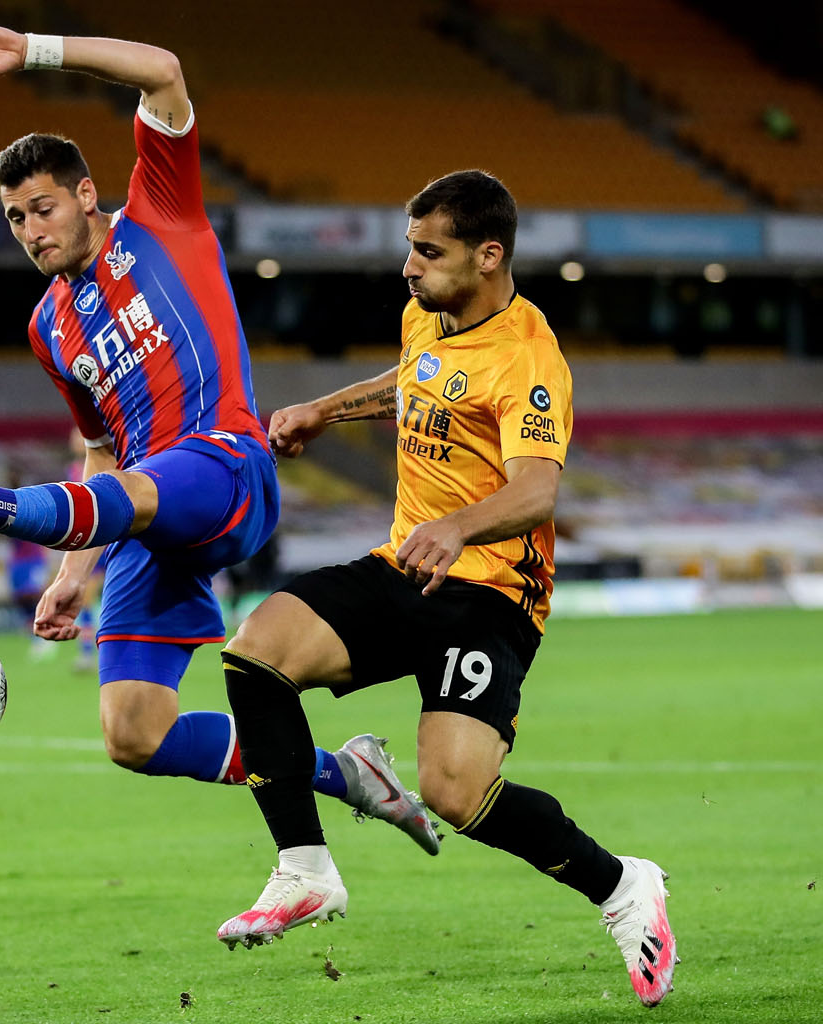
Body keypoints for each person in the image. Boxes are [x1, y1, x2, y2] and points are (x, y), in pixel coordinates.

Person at [0, 23, 437, 855]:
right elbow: (103, 449)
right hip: (146, 507)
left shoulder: (162, 216)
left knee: (141, 491)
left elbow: (164, 71)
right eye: (13, 220)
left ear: (85, 194)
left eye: (42, 207)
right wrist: (75, 575)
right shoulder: (50, 327)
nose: (31, 230)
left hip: (225, 466)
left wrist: (32, 51)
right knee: (134, 733)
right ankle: (352, 774)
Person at [213, 171, 678, 1007]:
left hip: (491, 595)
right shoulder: (428, 314)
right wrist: (326, 407)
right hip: (406, 567)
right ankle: (305, 870)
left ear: (488, 255)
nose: (409, 268)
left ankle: (622, 886)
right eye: (409, 249)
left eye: (429, 252)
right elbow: (415, 380)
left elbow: (537, 491)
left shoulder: (531, 361)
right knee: (256, 653)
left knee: (454, 792)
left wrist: (460, 527)